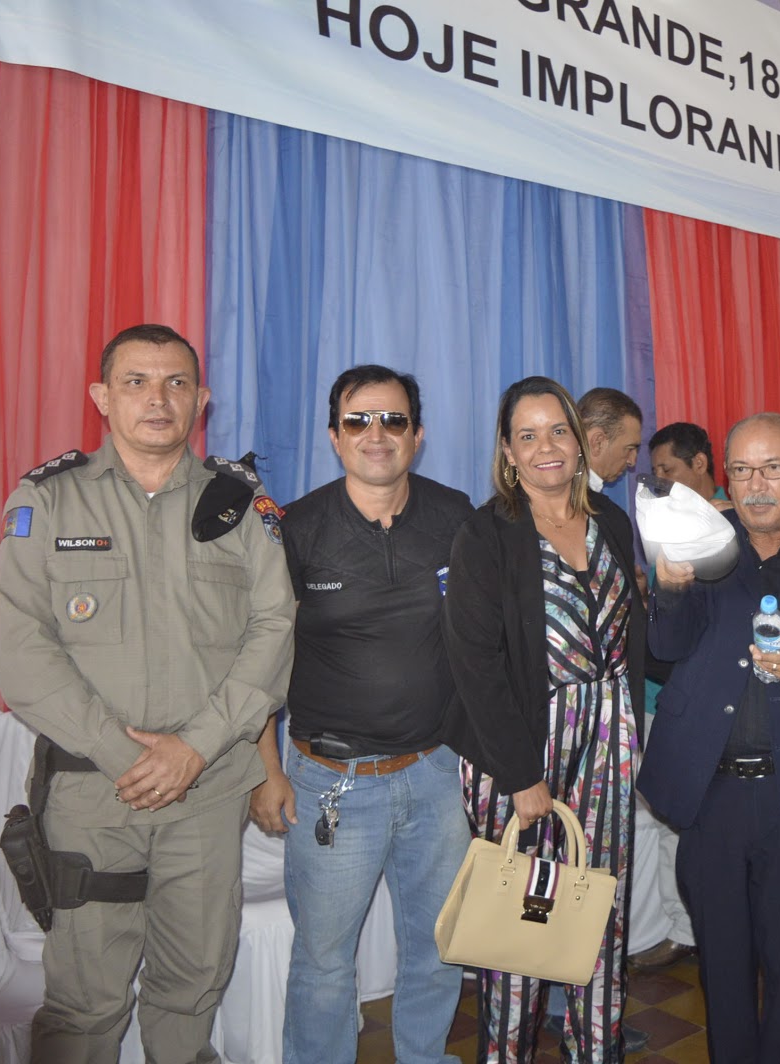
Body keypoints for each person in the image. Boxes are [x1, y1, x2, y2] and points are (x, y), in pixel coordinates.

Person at [0, 324, 295, 1062]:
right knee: (83, 1004)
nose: (158, 398)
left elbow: (275, 628)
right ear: (102, 397)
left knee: (192, 987)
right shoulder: (49, 500)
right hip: (94, 795)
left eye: (175, 383)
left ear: (201, 399)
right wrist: (122, 754)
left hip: (208, 790)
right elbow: (22, 650)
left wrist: (194, 748)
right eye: (136, 382)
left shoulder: (239, 503)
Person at [248, 365, 473, 1064]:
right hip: (332, 783)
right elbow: (255, 658)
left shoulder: (455, 515)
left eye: (394, 420)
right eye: (359, 421)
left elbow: (484, 641)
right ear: (334, 437)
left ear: (418, 435)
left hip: (436, 775)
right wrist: (265, 770)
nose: (377, 434)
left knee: (438, 948)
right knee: (323, 964)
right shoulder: (296, 529)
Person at [641, 412, 780, 1063]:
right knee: (722, 970)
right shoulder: (705, 547)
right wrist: (671, 591)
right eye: (740, 470)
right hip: (711, 795)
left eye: (771, 468)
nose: (755, 485)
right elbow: (664, 649)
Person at [443, 376, 645, 1063]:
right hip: (522, 750)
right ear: (507, 452)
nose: (546, 447)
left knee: (600, 915)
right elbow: (474, 665)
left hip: (607, 746)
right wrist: (520, 775)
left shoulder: (611, 521)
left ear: (580, 441)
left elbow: (633, 640)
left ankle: (597, 1051)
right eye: (526, 436)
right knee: (521, 932)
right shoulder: (485, 534)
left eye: (557, 430)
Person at [626, 422, 724, 973]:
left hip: (701, 699)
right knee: (666, 815)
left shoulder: (733, 524)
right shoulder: (662, 523)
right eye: (655, 471)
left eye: (668, 470)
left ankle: (703, 927)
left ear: (701, 465)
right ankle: (680, 927)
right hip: (653, 692)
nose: (660, 481)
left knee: (701, 821)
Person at [647, 420, 731, 511]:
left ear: (699, 464)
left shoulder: (734, 517)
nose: (658, 483)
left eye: (666, 470)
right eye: (654, 474)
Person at [578, 386, 643, 491]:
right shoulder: (573, 497)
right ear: (598, 443)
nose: (632, 462)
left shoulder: (559, 490)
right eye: (629, 449)